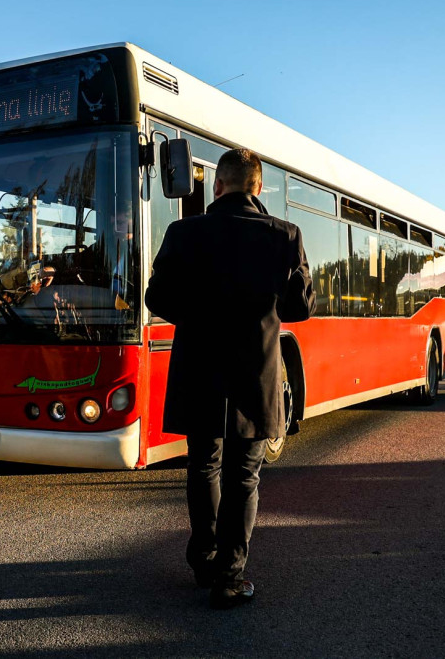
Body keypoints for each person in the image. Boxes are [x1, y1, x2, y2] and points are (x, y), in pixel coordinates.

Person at [144, 148, 315, 609]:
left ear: (217, 186)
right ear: (258, 188)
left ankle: (203, 560)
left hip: (198, 369)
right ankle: (230, 576)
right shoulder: (285, 235)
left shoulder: (183, 232)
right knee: (244, 474)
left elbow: (156, 297)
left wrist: (198, 319)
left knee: (203, 465)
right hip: (254, 375)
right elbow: (299, 308)